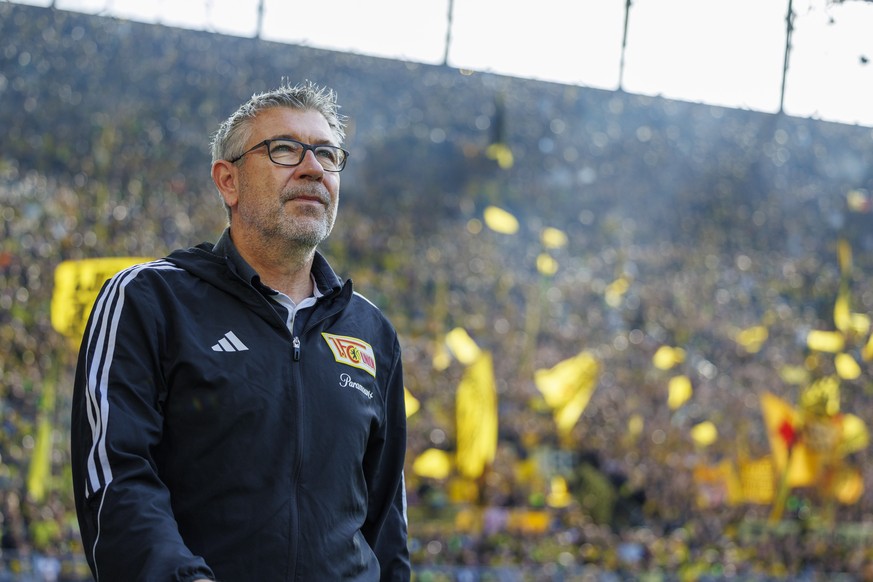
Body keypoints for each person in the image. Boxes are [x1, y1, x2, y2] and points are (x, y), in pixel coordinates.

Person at [70, 81, 410, 581]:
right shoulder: (148, 298)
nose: (313, 168)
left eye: (328, 155)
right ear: (227, 181)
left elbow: (386, 525)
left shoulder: (372, 331)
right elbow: (115, 477)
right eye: (285, 150)